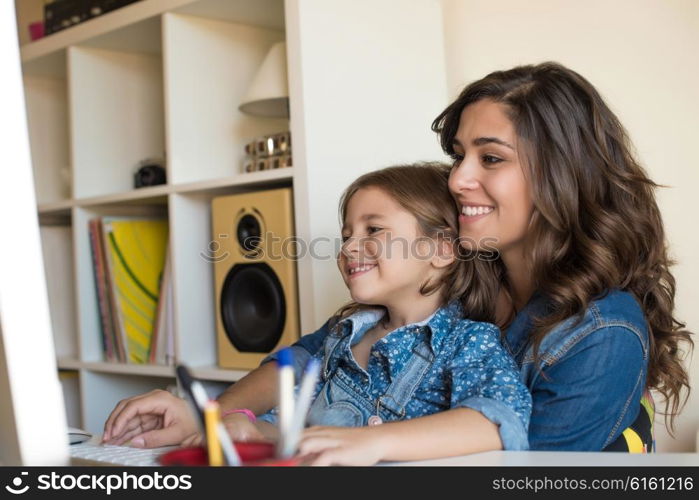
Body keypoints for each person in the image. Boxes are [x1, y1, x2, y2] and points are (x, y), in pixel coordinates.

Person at [103, 62, 692, 454]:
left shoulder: (601, 330)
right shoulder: (448, 281)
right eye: (459, 154)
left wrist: (366, 443)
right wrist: (204, 415)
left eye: (490, 159)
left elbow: (523, 465)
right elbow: (309, 359)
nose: (458, 178)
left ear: (565, 173)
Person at [105, 164, 532, 465]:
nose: (347, 248)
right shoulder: (339, 339)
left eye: (373, 230)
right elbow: (303, 432)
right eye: (346, 234)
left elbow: (497, 422)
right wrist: (249, 430)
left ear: (440, 249)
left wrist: (372, 442)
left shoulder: (468, 340)